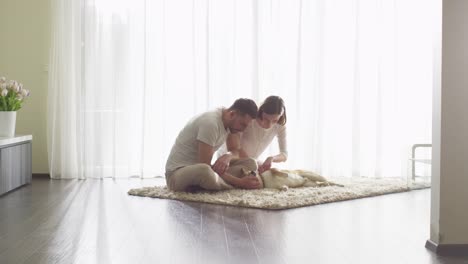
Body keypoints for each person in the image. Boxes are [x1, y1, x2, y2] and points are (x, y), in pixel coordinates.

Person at [165, 98, 262, 192]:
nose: (243, 129)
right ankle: (232, 187)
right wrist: (240, 182)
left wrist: (228, 156)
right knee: (205, 171)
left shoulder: (230, 121)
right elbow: (205, 164)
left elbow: (235, 150)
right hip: (176, 175)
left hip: (203, 171)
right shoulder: (211, 123)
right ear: (232, 114)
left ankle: (205, 187)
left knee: (250, 163)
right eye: (242, 124)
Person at [225, 95, 288, 174]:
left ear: (281, 116)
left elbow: (284, 155)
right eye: (266, 119)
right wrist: (253, 163)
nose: (269, 125)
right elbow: (235, 147)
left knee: (275, 175)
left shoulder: (280, 127)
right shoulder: (250, 119)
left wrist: (271, 158)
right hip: (232, 160)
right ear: (262, 111)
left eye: (275, 120)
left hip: (253, 163)